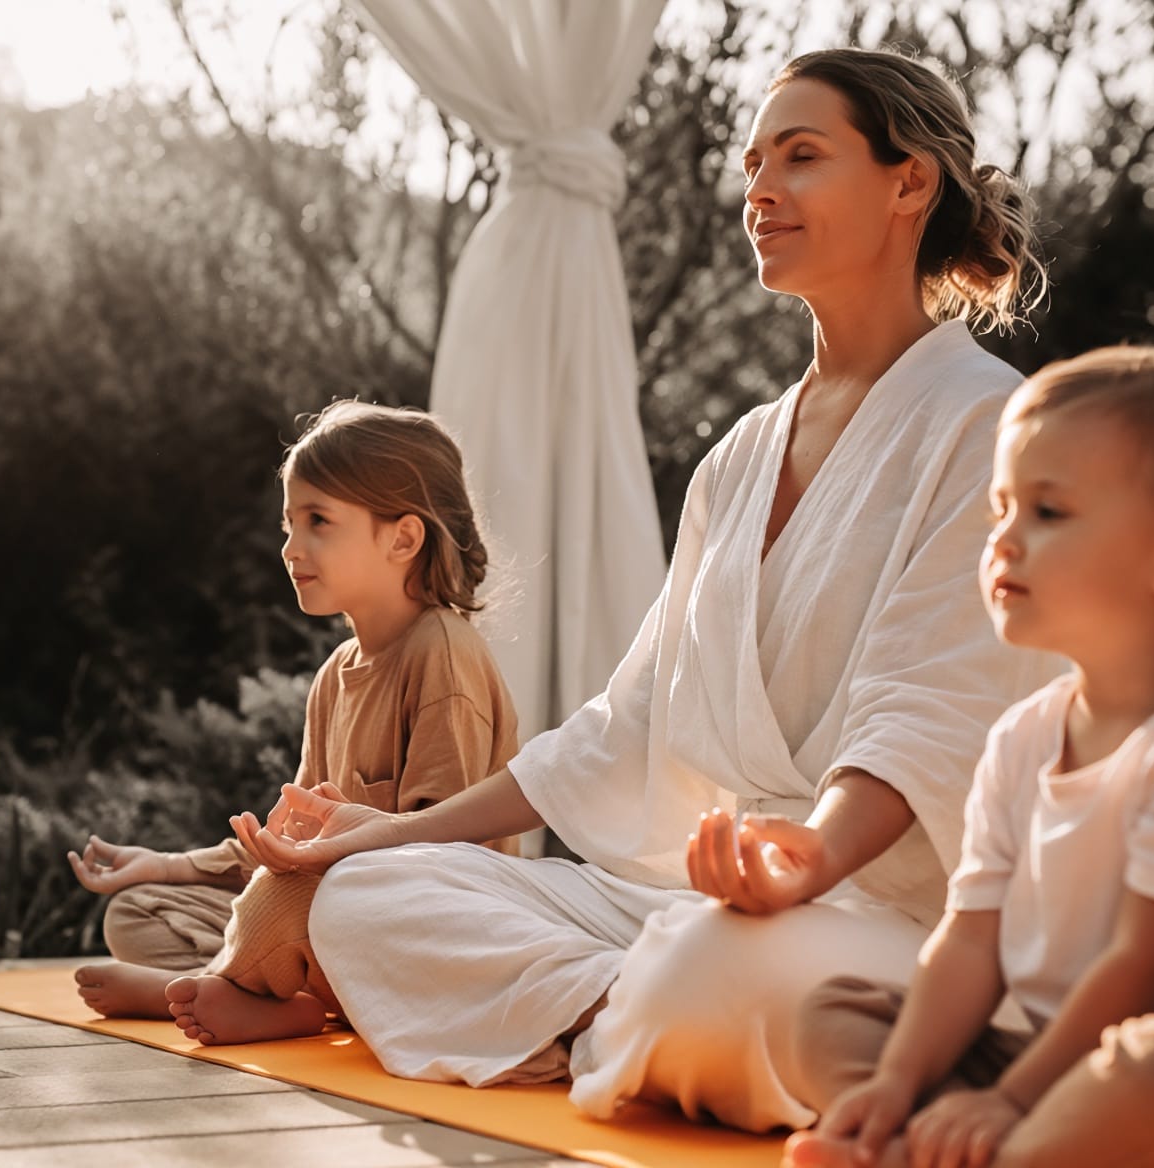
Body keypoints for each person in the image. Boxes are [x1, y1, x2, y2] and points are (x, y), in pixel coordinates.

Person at [233, 48, 1060, 1130]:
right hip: (703, 899)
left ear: (911, 182)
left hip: (879, 908)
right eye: (753, 161)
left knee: (724, 966)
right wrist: (366, 838)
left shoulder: (989, 426)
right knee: (366, 897)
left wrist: (798, 863)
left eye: (801, 157)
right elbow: (618, 728)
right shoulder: (739, 456)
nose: (759, 190)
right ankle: (642, 1020)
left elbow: (933, 716)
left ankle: (642, 1015)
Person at [782, 322, 1154, 1168]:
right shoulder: (1023, 737)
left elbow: (1152, 962)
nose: (1004, 540)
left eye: (1048, 511)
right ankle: (938, 1142)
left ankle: (970, 1151)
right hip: (1062, 1068)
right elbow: (970, 939)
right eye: (1001, 508)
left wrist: (1008, 1102)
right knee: (834, 1017)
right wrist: (900, 1080)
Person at [67, 400, 520, 1044]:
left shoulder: (442, 651)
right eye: (288, 524)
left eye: (318, 522)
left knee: (284, 900)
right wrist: (164, 867)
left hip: (422, 932)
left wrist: (300, 878)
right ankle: (263, 992)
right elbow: (291, 839)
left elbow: (438, 856)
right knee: (140, 913)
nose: (290, 547)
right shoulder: (336, 674)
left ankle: (227, 982)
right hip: (329, 923)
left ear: (403, 538)